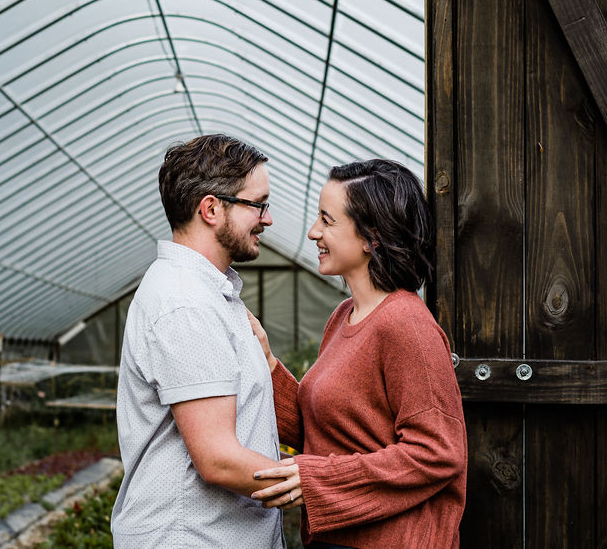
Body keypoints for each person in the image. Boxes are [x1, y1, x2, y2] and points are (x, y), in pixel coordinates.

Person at [249, 159, 466, 549]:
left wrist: (318, 480)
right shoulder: (342, 317)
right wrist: (266, 363)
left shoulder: (406, 325)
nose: (313, 231)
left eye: (327, 221)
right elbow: (327, 432)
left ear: (373, 237)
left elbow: (438, 452)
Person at [111, 134, 287, 548]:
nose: (267, 218)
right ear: (211, 208)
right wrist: (324, 485)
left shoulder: (206, 292)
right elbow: (219, 460)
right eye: (258, 204)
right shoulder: (184, 304)